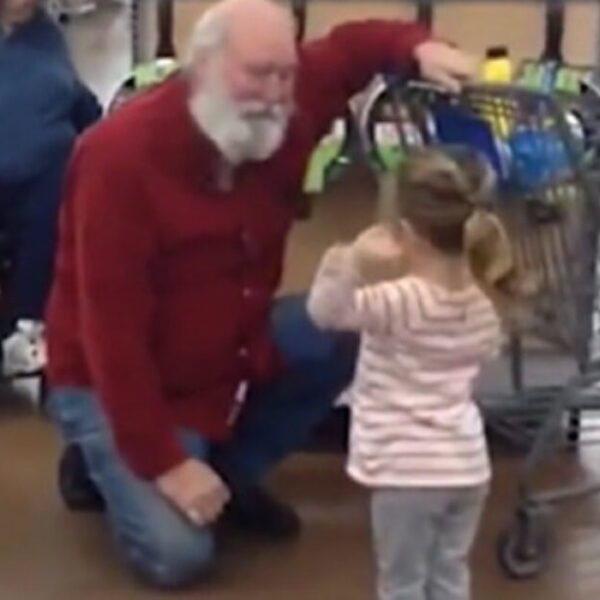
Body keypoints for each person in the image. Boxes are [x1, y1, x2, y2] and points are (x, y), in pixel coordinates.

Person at [45, 0, 478, 589]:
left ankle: (224, 475)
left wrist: (417, 47)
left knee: (346, 326)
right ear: (201, 66)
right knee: (179, 556)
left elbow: (352, 48)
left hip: (226, 350)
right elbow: (111, 340)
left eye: (286, 74)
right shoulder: (117, 161)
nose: (276, 93)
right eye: (257, 74)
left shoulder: (285, 108)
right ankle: (107, 463)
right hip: (113, 377)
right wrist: (165, 464)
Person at [307, 146, 527, 600]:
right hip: (466, 466)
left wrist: (348, 260)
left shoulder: (397, 302)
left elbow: (325, 313)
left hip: (407, 472)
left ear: (403, 232)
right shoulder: (486, 306)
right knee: (449, 574)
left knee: (402, 584)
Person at [0, 0, 101, 378]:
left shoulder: (47, 37)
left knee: (64, 170)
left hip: (41, 179)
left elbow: (77, 100)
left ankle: (28, 324)